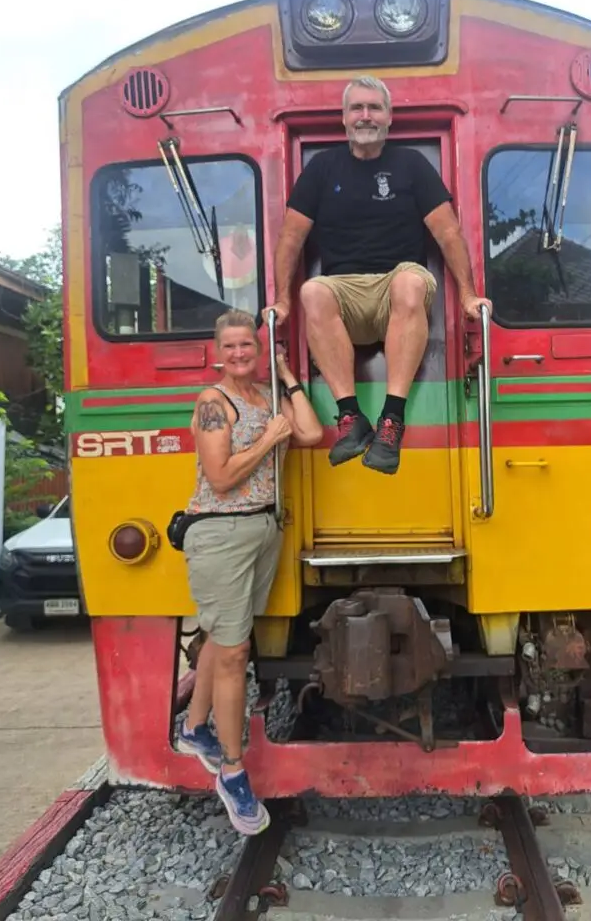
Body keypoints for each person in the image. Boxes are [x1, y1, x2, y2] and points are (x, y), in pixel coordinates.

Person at [262, 75, 492, 475]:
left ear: (389, 117)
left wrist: (468, 295)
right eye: (357, 108)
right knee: (312, 291)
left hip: (395, 284)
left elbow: (447, 232)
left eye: (374, 108)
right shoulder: (322, 169)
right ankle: (351, 418)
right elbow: (291, 238)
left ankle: (391, 421)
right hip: (345, 291)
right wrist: (282, 299)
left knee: (410, 282)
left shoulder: (411, 165)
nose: (365, 116)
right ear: (344, 118)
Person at [175, 309, 323, 836]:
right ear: (219, 352)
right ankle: (233, 773)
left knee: (223, 634)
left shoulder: (265, 395)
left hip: (261, 531)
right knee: (236, 652)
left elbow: (309, 431)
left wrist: (287, 377)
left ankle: (194, 729)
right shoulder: (214, 403)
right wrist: (266, 441)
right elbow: (218, 477)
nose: (240, 354)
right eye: (232, 347)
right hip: (219, 531)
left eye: (249, 347)